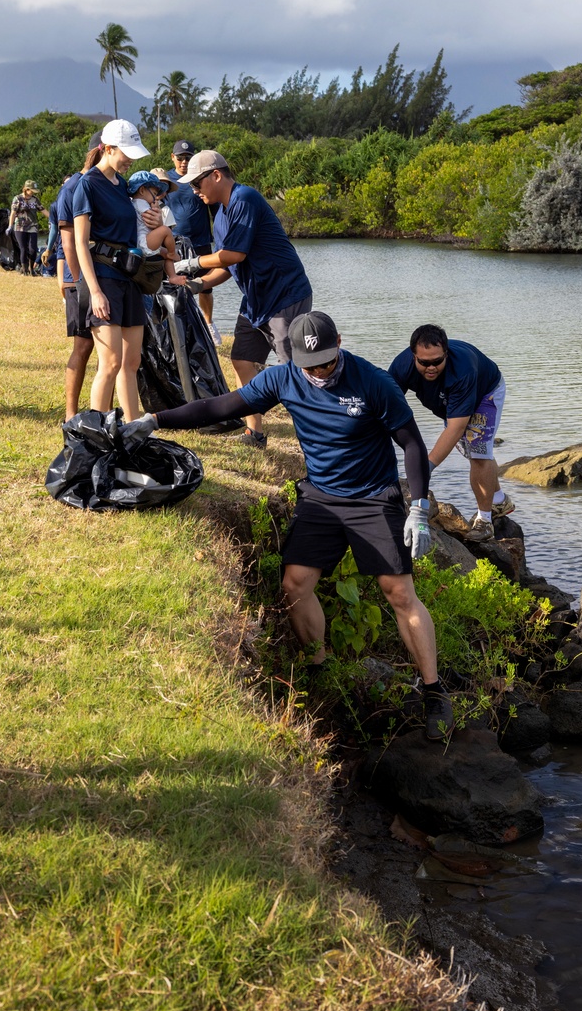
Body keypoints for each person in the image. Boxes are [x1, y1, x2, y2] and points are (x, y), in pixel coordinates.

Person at [127, 311, 454, 740]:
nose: (320, 371)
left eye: (327, 361)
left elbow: (412, 443)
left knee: (398, 591)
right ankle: (320, 668)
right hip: (321, 497)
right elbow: (222, 404)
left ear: (340, 341)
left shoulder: (375, 382)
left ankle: (434, 691)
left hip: (374, 496)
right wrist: (155, 420)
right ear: (294, 355)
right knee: (295, 584)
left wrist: (419, 509)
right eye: (310, 364)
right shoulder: (283, 379)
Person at [172, 150, 313, 449]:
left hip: (284, 295)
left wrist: (191, 263)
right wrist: (194, 286)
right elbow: (227, 266)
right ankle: (255, 434)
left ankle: (315, 436)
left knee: (295, 369)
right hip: (255, 299)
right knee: (241, 360)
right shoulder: (221, 215)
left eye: (197, 183)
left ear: (217, 175)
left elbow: (235, 254)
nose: (195, 191)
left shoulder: (244, 199)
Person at [388, 323, 512, 543]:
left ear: (446, 353)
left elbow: (456, 427)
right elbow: (386, 406)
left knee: (478, 451)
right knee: (471, 449)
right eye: (424, 362)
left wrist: (425, 468)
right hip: (447, 399)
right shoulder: (401, 366)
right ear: (413, 356)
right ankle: (499, 500)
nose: (431, 367)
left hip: (485, 393)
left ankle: (485, 522)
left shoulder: (463, 370)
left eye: (437, 361)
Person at [71, 119, 155, 421]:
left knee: (131, 361)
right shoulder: (88, 184)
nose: (130, 159)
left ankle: (132, 429)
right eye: (126, 153)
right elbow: (81, 243)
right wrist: (94, 292)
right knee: (110, 362)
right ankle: (97, 433)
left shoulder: (124, 186)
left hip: (130, 278)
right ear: (107, 149)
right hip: (104, 278)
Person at [47, 131, 103, 418]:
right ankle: (70, 414)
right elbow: (67, 242)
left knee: (100, 348)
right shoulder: (73, 187)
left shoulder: (98, 184)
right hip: (79, 279)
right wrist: (81, 282)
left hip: (94, 277)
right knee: (83, 346)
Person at [167, 140, 220, 342]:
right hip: (175, 243)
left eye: (188, 158)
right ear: (173, 158)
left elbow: (216, 210)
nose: (183, 162)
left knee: (206, 285)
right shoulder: (167, 181)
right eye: (180, 158)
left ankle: (208, 324)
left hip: (201, 241)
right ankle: (181, 324)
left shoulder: (200, 179)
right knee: (177, 283)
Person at [8, 180, 46, 275]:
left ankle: (32, 268)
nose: (33, 192)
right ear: (26, 189)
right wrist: (10, 226)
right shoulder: (17, 199)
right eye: (31, 190)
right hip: (20, 227)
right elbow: (13, 213)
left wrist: (54, 219)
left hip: (33, 226)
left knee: (33, 249)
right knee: (23, 248)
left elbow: (43, 210)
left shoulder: (35, 200)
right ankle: (24, 269)